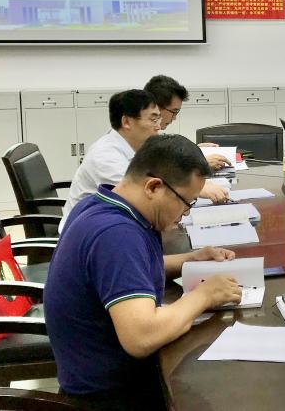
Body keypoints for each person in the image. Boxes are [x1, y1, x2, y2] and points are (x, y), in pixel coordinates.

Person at [46, 134, 242, 409]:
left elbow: (128, 270)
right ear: (153, 186)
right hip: (109, 397)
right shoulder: (117, 235)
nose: (186, 213)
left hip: (110, 376)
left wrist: (190, 259)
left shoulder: (102, 205)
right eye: (186, 202)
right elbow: (141, 337)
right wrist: (203, 296)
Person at [61, 89, 163, 232]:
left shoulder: (131, 145)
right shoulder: (105, 156)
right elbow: (143, 199)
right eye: (153, 120)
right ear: (126, 122)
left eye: (158, 119)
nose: (158, 126)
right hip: (87, 234)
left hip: (109, 222)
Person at [144, 74, 231, 204]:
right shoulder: (118, 150)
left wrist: (194, 151)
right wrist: (192, 186)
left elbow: (165, 163)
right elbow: (144, 185)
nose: (174, 118)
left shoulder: (151, 135)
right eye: (174, 112)